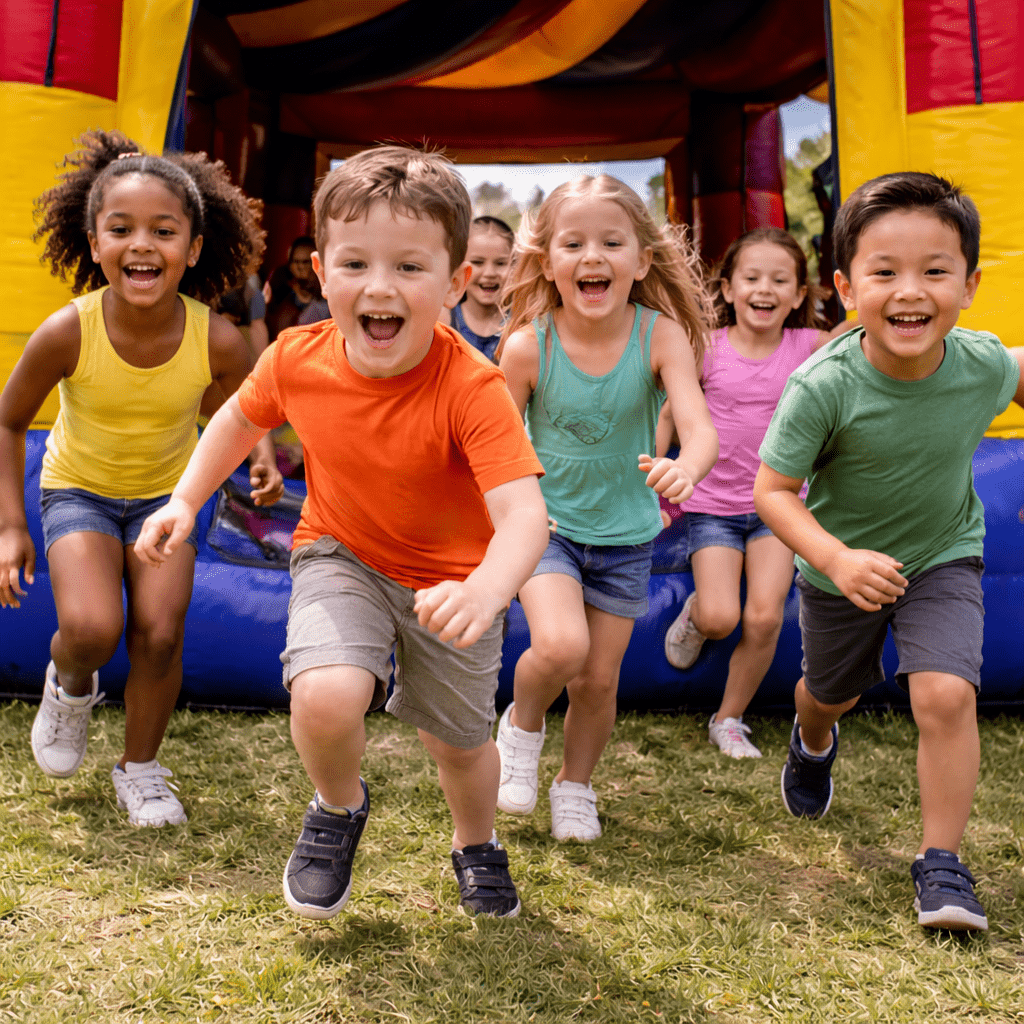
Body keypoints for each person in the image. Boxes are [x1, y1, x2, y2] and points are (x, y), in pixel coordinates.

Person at [134, 146, 549, 919]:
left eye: (410, 268)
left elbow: (526, 516)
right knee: (323, 697)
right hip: (341, 553)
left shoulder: (473, 388)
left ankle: (475, 843)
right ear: (323, 273)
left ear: (456, 284)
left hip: (454, 582)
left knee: (458, 746)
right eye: (356, 263)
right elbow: (236, 418)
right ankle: (336, 805)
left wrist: (487, 590)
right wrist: (184, 500)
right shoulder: (297, 356)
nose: (380, 287)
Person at [754, 172, 1024, 931]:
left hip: (943, 553)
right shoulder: (824, 386)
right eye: (884, 273)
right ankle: (812, 741)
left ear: (969, 284)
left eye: (935, 271)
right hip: (841, 566)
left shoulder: (979, 363)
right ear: (845, 286)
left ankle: (941, 862)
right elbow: (772, 491)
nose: (911, 291)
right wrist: (837, 560)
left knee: (944, 695)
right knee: (827, 692)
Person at [0, 130, 283, 827]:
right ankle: (69, 685)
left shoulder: (214, 338)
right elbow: (8, 422)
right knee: (93, 629)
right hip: (80, 491)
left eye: (163, 230)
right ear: (93, 244)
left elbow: (244, 411)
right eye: (121, 229)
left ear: (192, 247)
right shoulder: (69, 331)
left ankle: (141, 769)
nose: (142, 245)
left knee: (159, 631)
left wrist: (261, 455)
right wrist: (10, 526)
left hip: (167, 499)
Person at [496, 175, 718, 841]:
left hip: (626, 535)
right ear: (548, 262)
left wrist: (686, 466)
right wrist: (520, 510)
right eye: (574, 243)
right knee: (561, 646)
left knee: (597, 680)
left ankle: (575, 784)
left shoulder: (661, 336)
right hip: (549, 529)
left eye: (611, 242)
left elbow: (700, 428)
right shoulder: (529, 346)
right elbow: (496, 446)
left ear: (641, 261)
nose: (592, 256)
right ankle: (522, 724)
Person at [662, 228, 847, 759]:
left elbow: (864, 329)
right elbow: (672, 410)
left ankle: (730, 718)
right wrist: (655, 467)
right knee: (722, 617)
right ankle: (699, 612)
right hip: (712, 507)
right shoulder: (707, 349)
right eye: (751, 277)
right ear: (727, 288)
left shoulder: (808, 346)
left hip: (778, 504)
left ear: (798, 295)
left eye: (779, 280)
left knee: (763, 616)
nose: (764, 289)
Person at [447, 216, 514, 362]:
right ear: (458, 266)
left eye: (500, 263)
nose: (489, 273)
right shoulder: (444, 320)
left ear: (514, 266)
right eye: (478, 262)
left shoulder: (521, 323)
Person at [265, 236, 322, 341]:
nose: (300, 267)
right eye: (296, 261)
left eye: (305, 262)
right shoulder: (281, 286)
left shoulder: (325, 290)